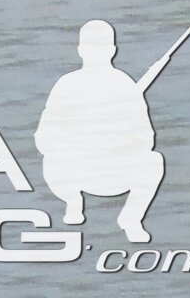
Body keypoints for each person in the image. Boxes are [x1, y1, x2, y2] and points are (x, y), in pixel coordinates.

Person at [37, 21, 168, 243]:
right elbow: (44, 137)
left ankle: (131, 218)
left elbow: (146, 138)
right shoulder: (68, 84)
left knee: (153, 161)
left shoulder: (123, 85)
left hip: (113, 172)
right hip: (76, 171)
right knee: (52, 159)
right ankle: (73, 202)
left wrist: (114, 140)